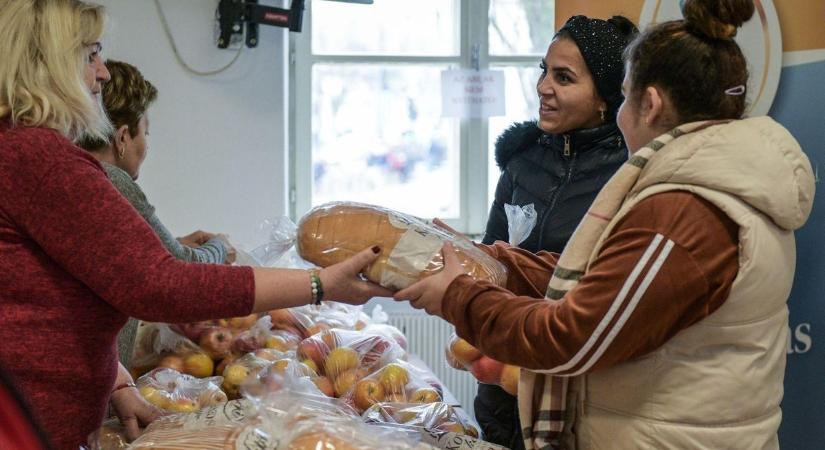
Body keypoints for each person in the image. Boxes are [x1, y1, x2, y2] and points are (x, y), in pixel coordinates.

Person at [395, 0, 815, 448]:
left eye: (625, 94)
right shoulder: (707, 185)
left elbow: (569, 336)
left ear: (649, 104)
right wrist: (484, 258)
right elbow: (595, 280)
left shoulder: (684, 210)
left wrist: (459, 296)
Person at [0, 1, 389, 449]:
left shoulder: (18, 150)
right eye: (91, 55)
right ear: (49, 65)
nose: (103, 73)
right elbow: (160, 284)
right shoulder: (39, 159)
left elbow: (51, 295)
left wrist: (116, 382)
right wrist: (319, 284)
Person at [477, 15, 636, 449]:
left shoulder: (628, 174)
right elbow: (491, 264)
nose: (543, 87)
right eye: (543, 71)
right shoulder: (522, 161)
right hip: (504, 386)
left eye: (563, 77)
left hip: (580, 392)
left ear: (604, 97)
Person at [76, 60, 235, 367]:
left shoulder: (74, 171)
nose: (147, 147)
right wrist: (220, 247)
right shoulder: (111, 180)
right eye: (145, 133)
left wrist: (171, 242)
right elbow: (182, 268)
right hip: (97, 371)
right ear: (123, 137)